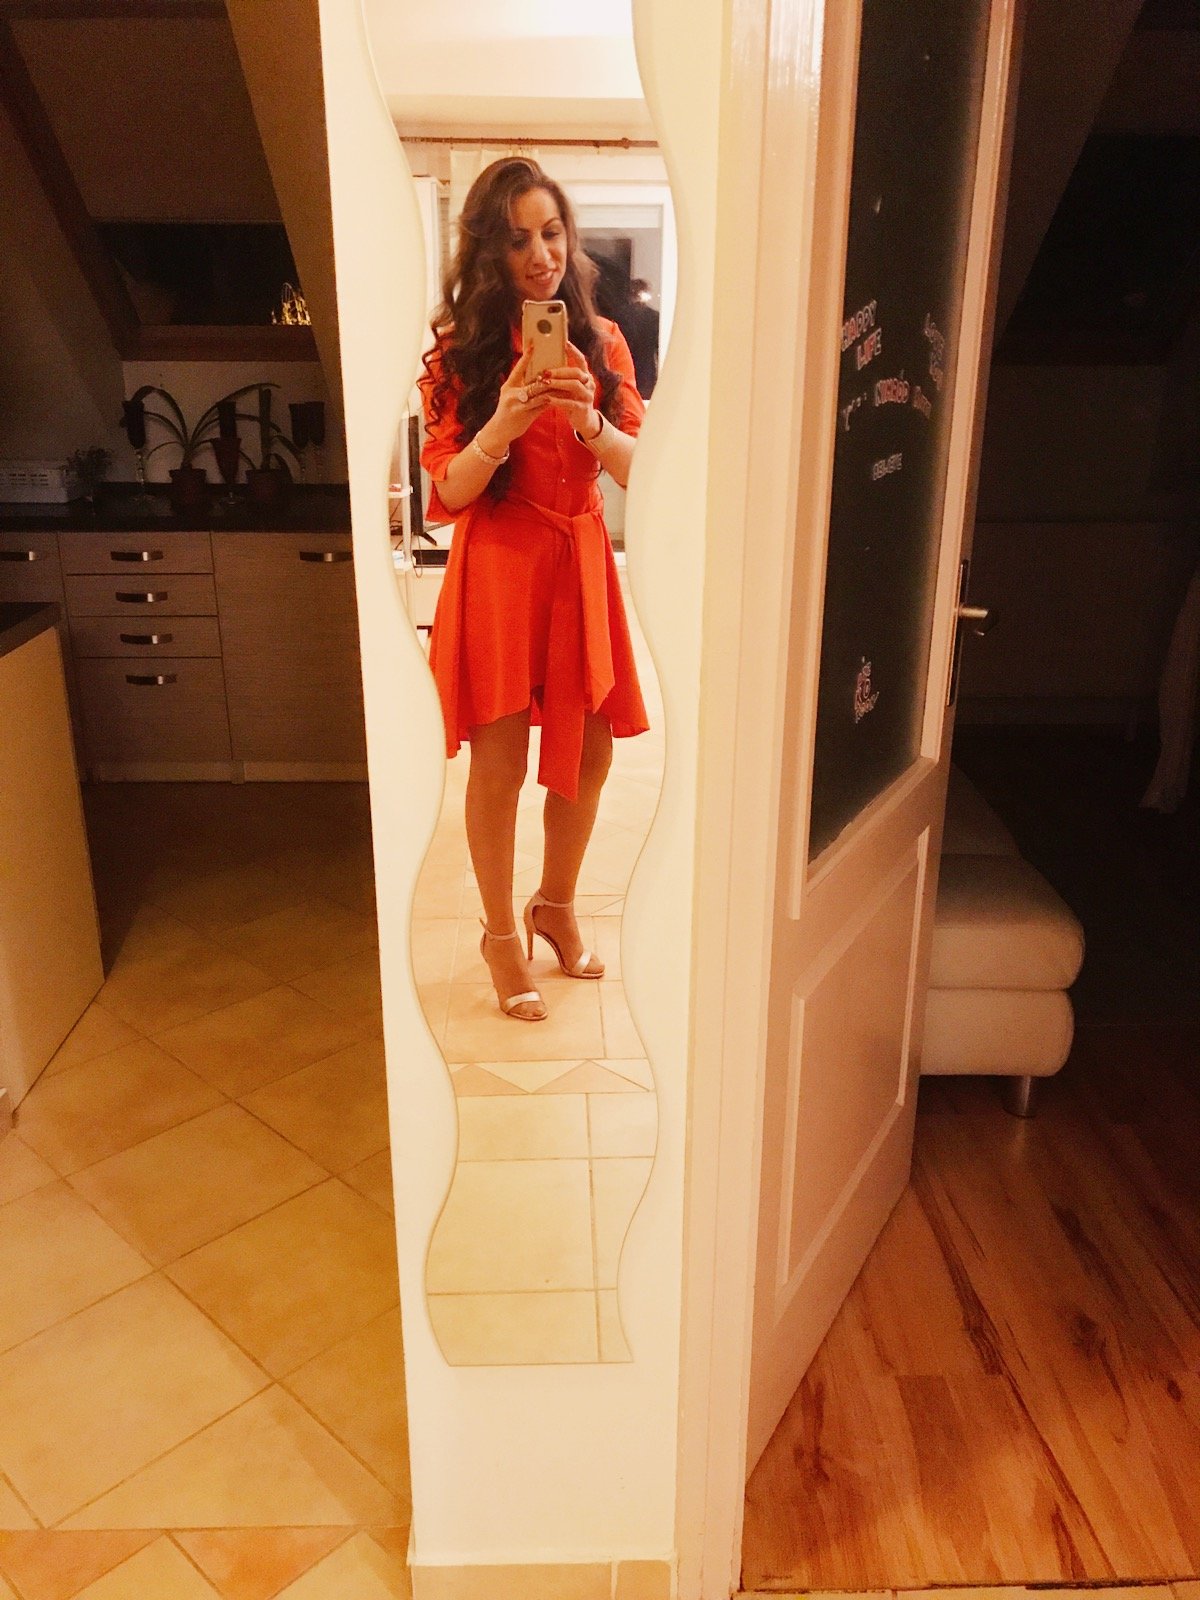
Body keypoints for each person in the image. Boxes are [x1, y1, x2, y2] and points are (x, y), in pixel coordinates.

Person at [419, 157, 649, 1022]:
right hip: (502, 565)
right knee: (502, 762)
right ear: (490, 252)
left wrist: (588, 418)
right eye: (518, 240)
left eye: (551, 233)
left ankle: (554, 905)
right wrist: (503, 424)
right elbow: (448, 491)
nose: (541, 255)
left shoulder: (603, 342)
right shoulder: (461, 352)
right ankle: (498, 936)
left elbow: (640, 469)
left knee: (592, 752)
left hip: (578, 555)